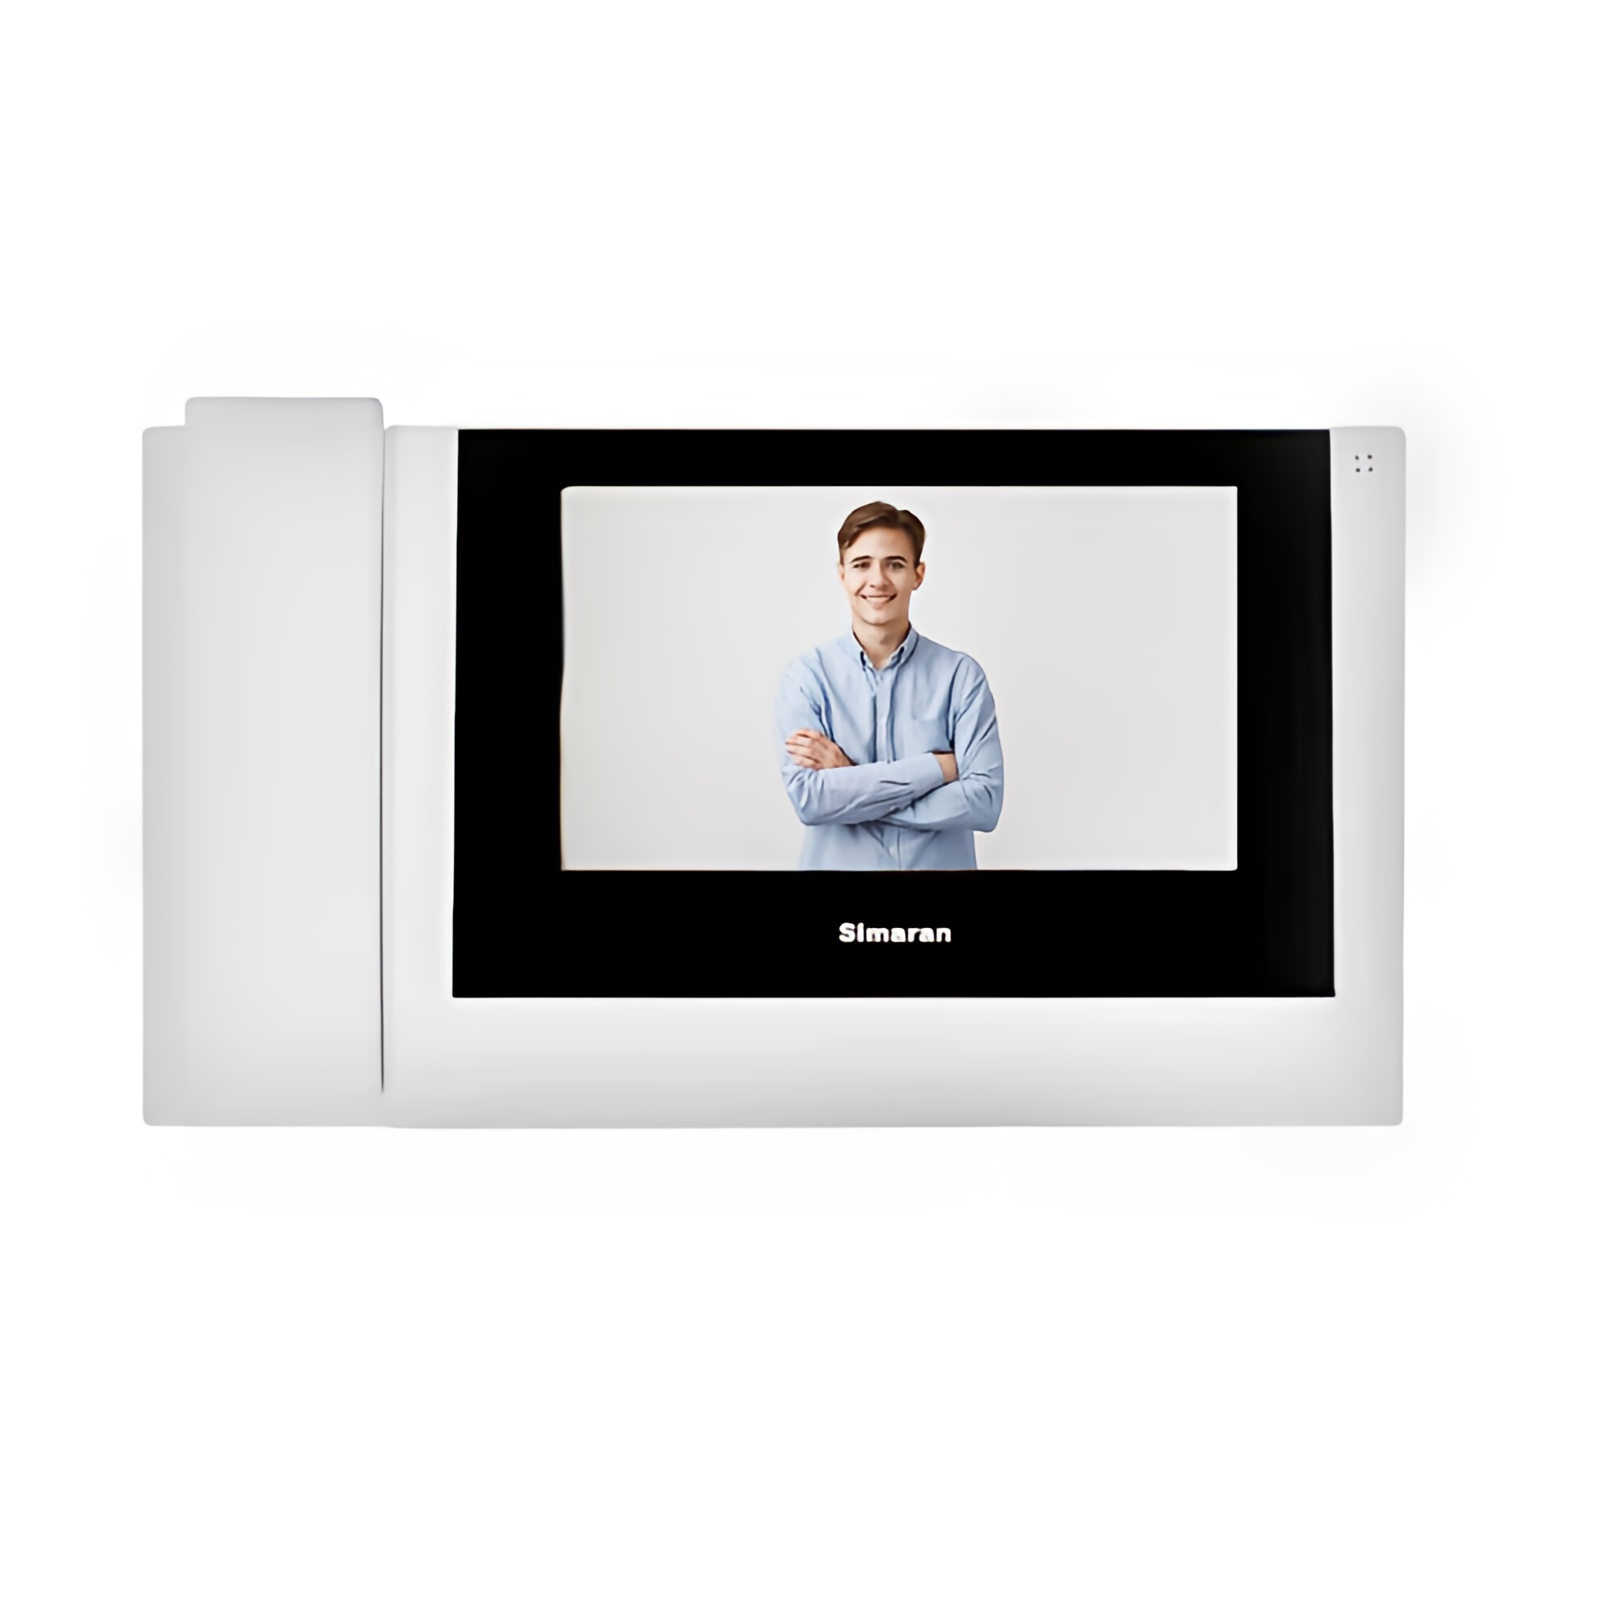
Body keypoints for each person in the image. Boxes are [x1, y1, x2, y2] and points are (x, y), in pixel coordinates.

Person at [775, 501, 1004, 870]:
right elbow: (811, 801)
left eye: (894, 564)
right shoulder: (806, 678)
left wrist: (849, 781)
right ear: (842, 574)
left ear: (918, 574)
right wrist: (937, 769)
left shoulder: (961, 677)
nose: (878, 580)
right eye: (861, 564)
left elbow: (984, 803)